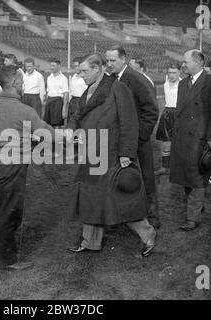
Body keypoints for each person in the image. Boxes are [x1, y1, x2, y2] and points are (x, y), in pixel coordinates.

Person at [65, 54, 156, 257]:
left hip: (113, 152)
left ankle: (148, 234)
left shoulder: (117, 88)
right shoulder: (88, 90)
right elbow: (76, 115)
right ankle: (90, 241)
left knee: (123, 197)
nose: (80, 76)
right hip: (91, 152)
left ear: (98, 69)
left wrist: (127, 152)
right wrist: (71, 129)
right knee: (90, 196)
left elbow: (129, 121)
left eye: (84, 71)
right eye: (79, 72)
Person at [0, 65, 56, 270]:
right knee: (10, 214)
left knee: (0, 211)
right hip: (12, 168)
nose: (23, 85)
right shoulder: (24, 110)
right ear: (12, 83)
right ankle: (6, 260)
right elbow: (47, 132)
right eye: (21, 82)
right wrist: (74, 137)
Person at [170, 50, 211, 231]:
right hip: (181, 139)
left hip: (199, 139)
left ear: (198, 62)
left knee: (197, 177)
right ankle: (197, 205)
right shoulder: (183, 83)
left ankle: (192, 217)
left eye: (186, 62)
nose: (183, 65)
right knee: (185, 177)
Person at [105, 46, 160, 229]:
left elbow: (151, 112)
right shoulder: (112, 80)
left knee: (145, 177)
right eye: (107, 61)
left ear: (123, 59)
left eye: (113, 60)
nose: (109, 64)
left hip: (137, 142)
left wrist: (138, 138)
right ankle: (124, 214)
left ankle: (152, 216)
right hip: (119, 142)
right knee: (122, 178)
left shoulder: (135, 78)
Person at [154, 62, 181, 176]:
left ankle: (179, 168)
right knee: (166, 143)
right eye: (169, 72)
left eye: (174, 73)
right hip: (167, 114)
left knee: (180, 142)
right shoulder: (166, 82)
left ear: (179, 72)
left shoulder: (183, 84)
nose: (171, 75)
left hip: (178, 114)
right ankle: (165, 168)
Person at [44, 59, 69, 128]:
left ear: (58, 66)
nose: (51, 67)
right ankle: (51, 138)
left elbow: (65, 94)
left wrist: (64, 108)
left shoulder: (63, 78)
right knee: (48, 125)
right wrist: (46, 102)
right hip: (49, 102)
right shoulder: (49, 77)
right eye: (51, 66)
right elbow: (48, 91)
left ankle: (58, 139)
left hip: (58, 103)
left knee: (57, 124)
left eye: (53, 66)